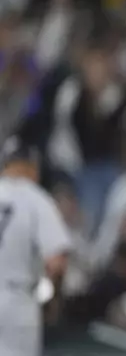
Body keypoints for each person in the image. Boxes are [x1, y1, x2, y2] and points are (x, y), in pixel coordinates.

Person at [0, 136, 71, 356]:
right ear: (33, 167)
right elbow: (56, 264)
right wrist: (47, 298)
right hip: (16, 301)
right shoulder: (36, 199)